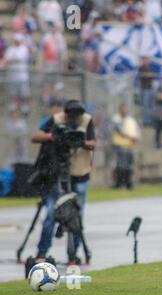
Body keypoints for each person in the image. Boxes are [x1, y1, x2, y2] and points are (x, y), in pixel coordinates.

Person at [31, 100, 96, 264]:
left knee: (76, 217)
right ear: (65, 114)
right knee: (51, 214)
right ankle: (42, 252)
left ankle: (73, 255)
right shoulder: (56, 120)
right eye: (70, 116)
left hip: (79, 174)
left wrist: (81, 142)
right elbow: (35, 137)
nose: (73, 119)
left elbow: (93, 143)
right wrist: (52, 136)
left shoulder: (87, 120)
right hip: (57, 175)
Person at [0, 33, 31, 116]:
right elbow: (6, 58)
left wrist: (6, 61)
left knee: (24, 93)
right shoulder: (11, 48)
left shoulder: (24, 49)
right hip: (13, 75)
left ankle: (25, 107)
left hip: (22, 76)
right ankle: (14, 106)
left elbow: (16, 58)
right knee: (14, 92)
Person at [111, 104, 140, 189]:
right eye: (122, 109)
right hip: (120, 144)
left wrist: (136, 139)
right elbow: (119, 130)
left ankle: (128, 182)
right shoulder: (116, 119)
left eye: (125, 109)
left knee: (129, 165)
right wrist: (131, 137)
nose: (124, 111)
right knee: (120, 165)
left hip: (130, 145)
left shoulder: (131, 120)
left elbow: (137, 130)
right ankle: (119, 183)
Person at [138, 56, 156, 127]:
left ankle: (150, 121)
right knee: (145, 106)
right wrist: (149, 75)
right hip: (145, 89)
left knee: (150, 106)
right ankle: (145, 121)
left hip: (150, 88)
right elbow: (143, 77)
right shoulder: (141, 68)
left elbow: (153, 76)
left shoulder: (150, 68)